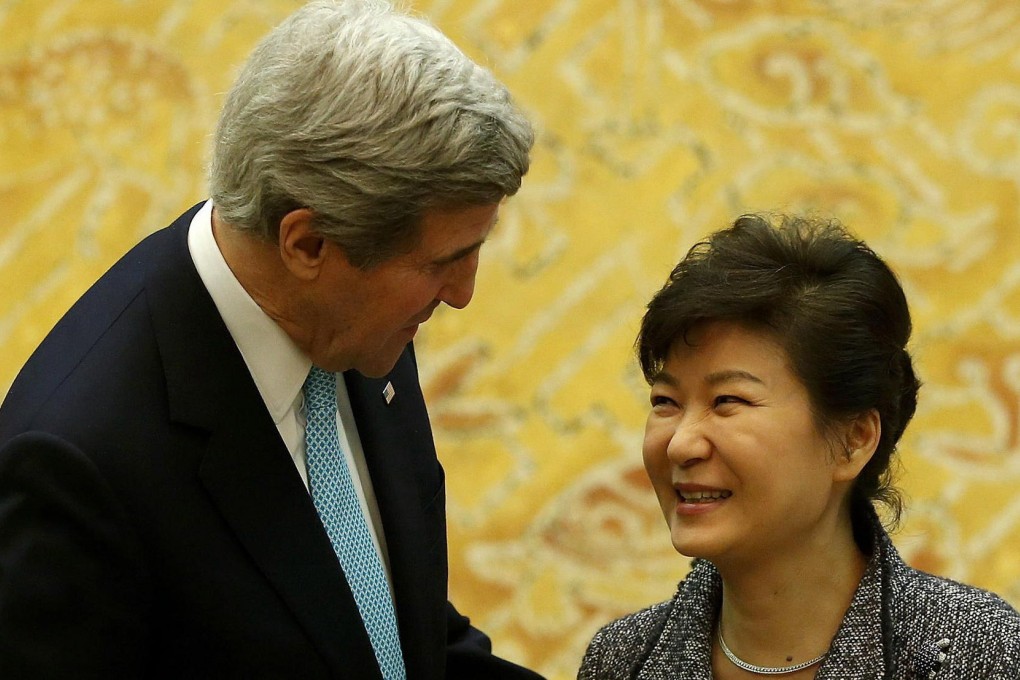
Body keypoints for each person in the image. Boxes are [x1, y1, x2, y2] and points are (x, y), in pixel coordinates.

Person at [0, 1, 545, 678]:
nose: (462, 292)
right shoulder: (76, 464)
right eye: (441, 263)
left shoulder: (349, 323)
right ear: (308, 242)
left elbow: (397, 638)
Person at [578, 214, 1020, 679]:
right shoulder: (622, 661)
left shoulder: (976, 655)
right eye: (665, 402)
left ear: (854, 440)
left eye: (728, 400)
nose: (680, 445)